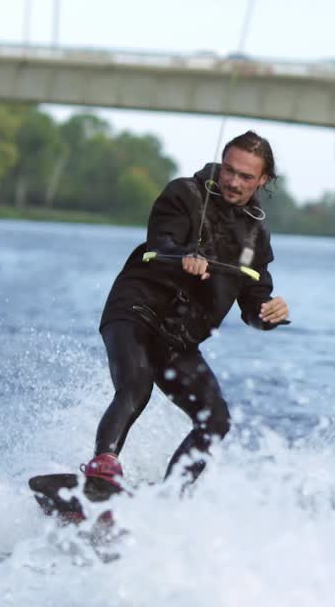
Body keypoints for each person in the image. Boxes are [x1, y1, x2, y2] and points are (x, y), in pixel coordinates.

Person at [84, 130, 290, 489]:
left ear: (263, 180)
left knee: (216, 419)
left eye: (245, 176)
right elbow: (161, 241)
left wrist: (268, 313)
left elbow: (253, 302)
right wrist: (184, 257)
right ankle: (102, 468)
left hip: (177, 338)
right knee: (136, 386)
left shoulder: (256, 235)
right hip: (135, 311)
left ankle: (169, 497)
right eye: (229, 170)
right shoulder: (185, 193)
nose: (233, 182)